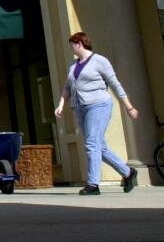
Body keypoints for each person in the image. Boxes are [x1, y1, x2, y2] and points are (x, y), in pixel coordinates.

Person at [54, 31, 140, 195]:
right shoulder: (73, 66)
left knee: (92, 144)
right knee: (99, 147)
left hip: (98, 105)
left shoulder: (100, 61)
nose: (71, 48)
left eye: (72, 45)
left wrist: (128, 106)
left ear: (79, 44)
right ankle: (128, 173)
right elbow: (68, 87)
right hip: (79, 107)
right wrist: (61, 104)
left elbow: (115, 83)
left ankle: (93, 184)